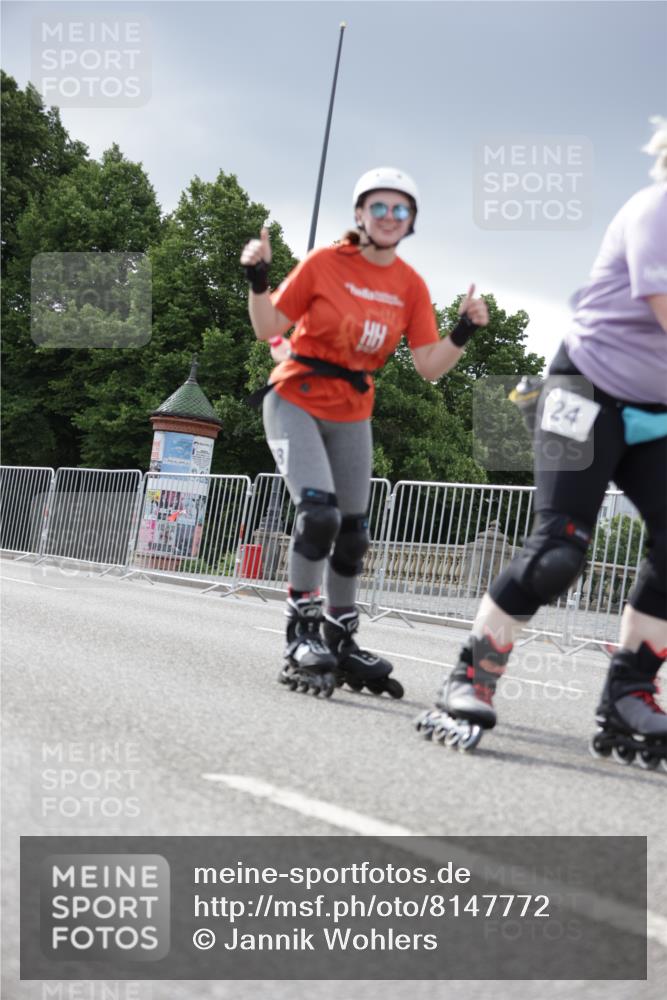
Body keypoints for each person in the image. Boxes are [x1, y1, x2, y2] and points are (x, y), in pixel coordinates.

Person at [418, 119, 667, 768]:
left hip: (656, 413)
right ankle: (469, 676)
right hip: (585, 391)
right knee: (559, 552)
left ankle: (629, 693)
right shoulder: (655, 211)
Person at [240, 167, 489, 697]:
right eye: (379, 207)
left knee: (353, 532)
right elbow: (268, 329)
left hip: (352, 411)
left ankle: (339, 636)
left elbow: (429, 365)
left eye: (401, 210)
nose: (389, 217)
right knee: (319, 515)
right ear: (360, 214)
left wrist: (463, 330)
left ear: (411, 221)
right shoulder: (325, 263)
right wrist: (259, 279)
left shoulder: (410, 285)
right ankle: (300, 635)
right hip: (295, 399)